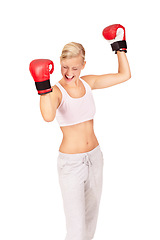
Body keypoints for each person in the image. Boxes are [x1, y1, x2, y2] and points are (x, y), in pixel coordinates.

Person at [29, 24, 131, 240]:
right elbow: (48, 116)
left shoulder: (88, 82)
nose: (69, 73)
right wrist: (42, 85)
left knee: (90, 224)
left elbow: (124, 75)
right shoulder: (55, 91)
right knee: (76, 229)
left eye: (75, 68)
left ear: (83, 65)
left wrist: (120, 46)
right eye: (64, 67)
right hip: (71, 165)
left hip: (95, 158)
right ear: (59, 64)